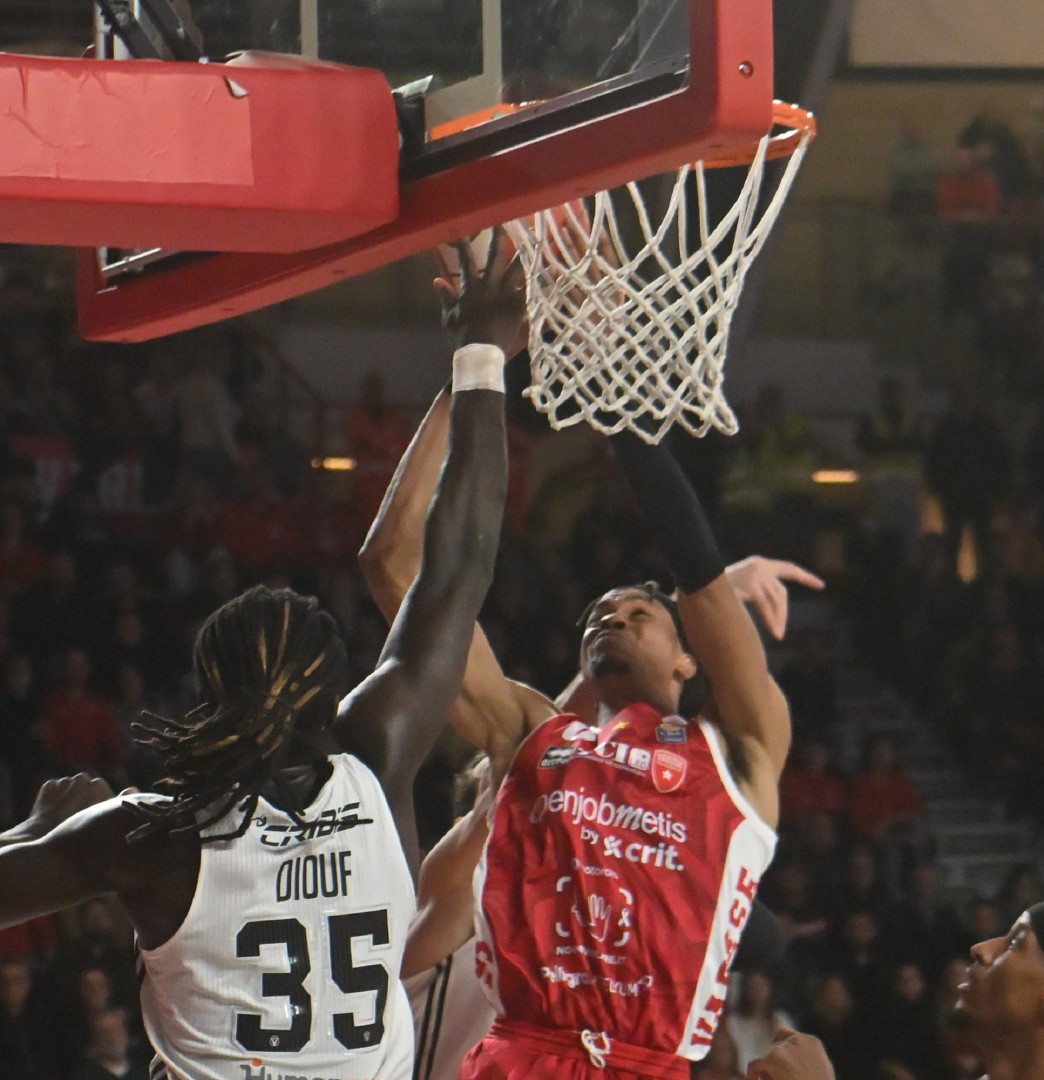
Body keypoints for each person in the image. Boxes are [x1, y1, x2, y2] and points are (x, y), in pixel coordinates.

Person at [360, 231, 824, 1076]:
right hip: (519, 1053)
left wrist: (606, 378)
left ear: (692, 659)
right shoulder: (532, 735)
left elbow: (699, 570)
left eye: (638, 609)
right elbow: (396, 571)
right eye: (598, 611)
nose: (610, 611)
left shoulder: (742, 758)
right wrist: (478, 365)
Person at [0, 329, 511, 1080]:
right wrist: (482, 356)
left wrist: (39, 827)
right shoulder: (377, 753)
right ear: (336, 700)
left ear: (206, 694)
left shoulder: (153, 833)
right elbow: (461, 565)